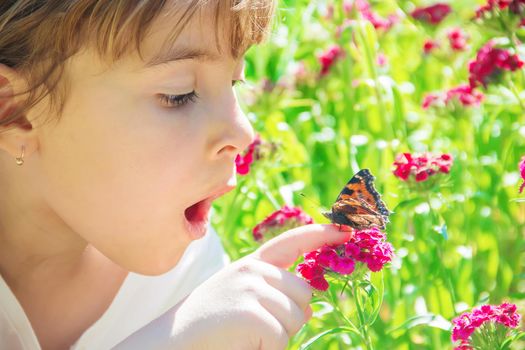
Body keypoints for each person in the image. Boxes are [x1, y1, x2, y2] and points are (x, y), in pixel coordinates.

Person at [0, 1, 354, 349]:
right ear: (16, 112)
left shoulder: (190, 278)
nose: (244, 133)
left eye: (234, 82)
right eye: (179, 95)